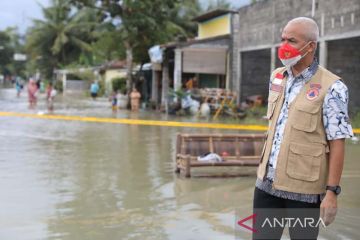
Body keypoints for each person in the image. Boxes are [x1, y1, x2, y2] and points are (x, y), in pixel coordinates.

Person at [253, 17, 353, 240]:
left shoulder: (333, 87)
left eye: (292, 40)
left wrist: (331, 193)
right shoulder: (277, 77)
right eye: (282, 39)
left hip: (304, 193)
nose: (284, 46)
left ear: (311, 46)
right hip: (265, 185)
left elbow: (337, 142)